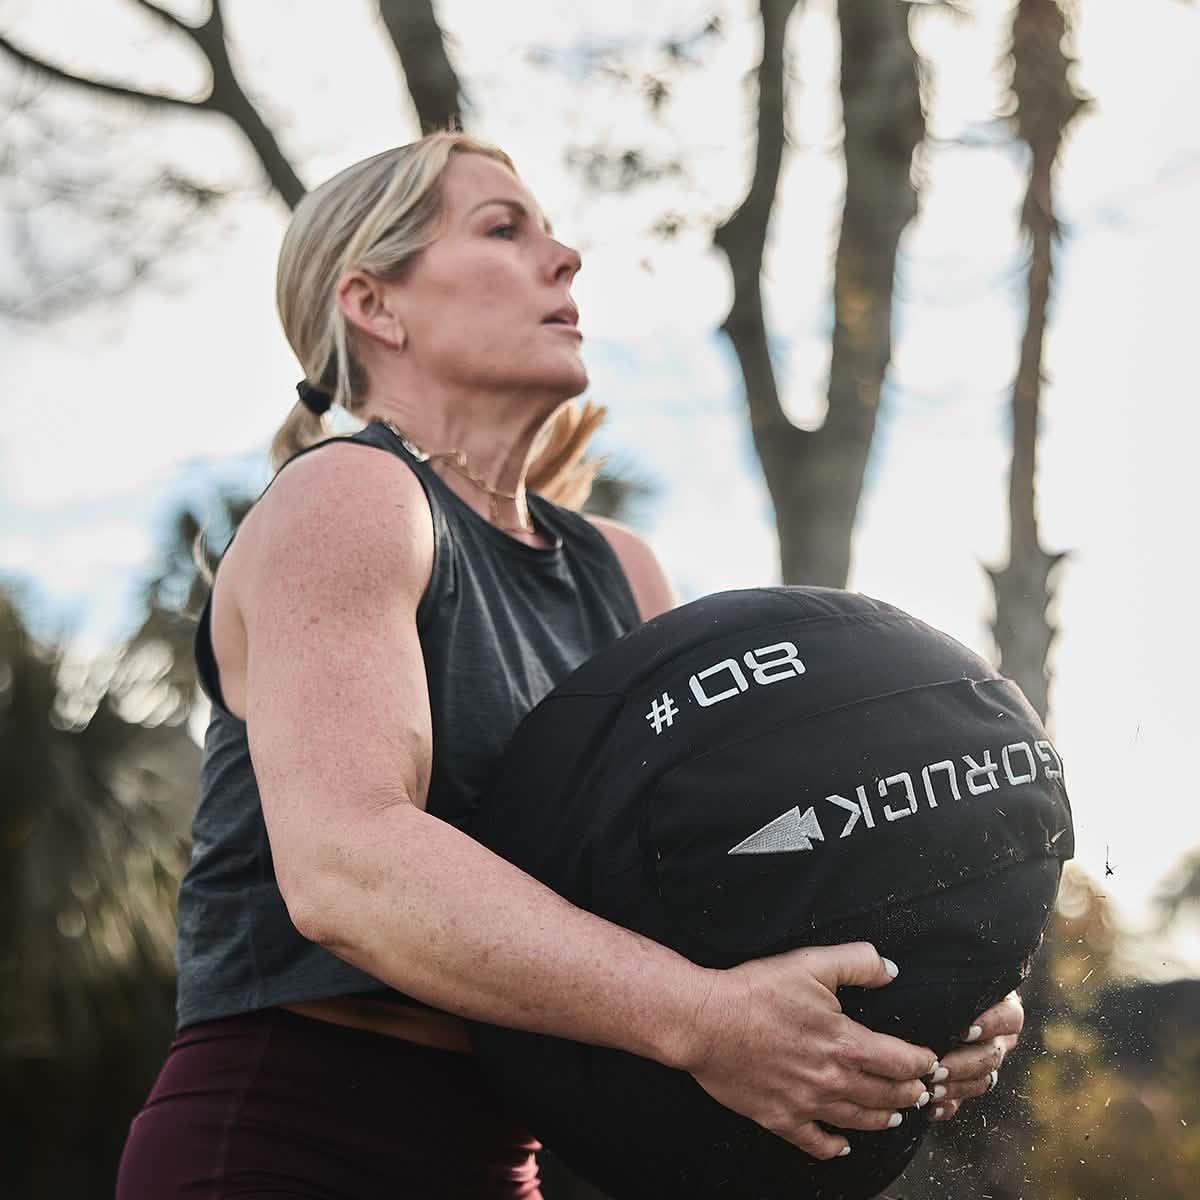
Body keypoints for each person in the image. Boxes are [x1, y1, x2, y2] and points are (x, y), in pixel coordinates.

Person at [116, 131, 1024, 1199]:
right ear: (375, 304)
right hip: (289, 1143)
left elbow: (712, 883)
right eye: (504, 229)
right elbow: (347, 867)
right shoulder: (347, 496)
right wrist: (700, 1018)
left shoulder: (621, 571)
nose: (566, 259)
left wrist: (919, 996)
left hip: (509, 1159)